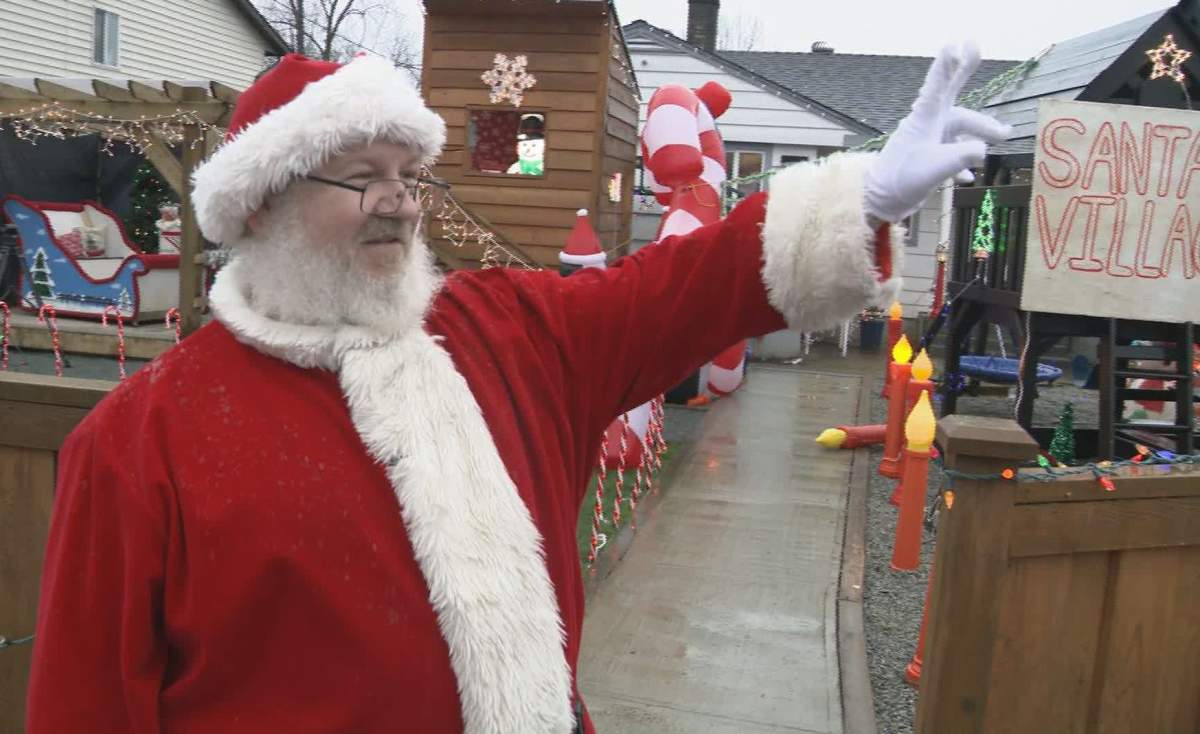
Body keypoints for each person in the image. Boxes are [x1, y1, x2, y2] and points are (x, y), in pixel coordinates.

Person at [26, 47, 1009, 733]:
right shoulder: (142, 439)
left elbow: (673, 290)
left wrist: (863, 199)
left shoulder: (509, 333)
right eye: (360, 175)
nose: (400, 203)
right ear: (262, 204)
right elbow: (85, 707)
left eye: (408, 175)